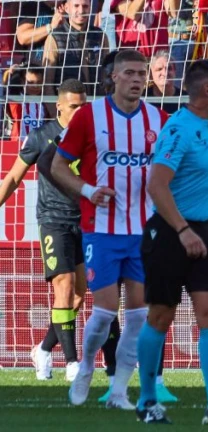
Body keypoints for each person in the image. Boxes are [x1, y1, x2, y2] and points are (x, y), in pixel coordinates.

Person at [135, 59, 208, 424]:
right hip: (171, 232)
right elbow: (157, 185)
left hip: (205, 231)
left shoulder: (207, 118)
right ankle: (147, 401)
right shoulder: (178, 130)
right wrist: (183, 231)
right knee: (161, 315)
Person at [52, 49, 167, 410]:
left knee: (138, 316)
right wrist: (88, 191)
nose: (137, 79)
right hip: (101, 229)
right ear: (114, 77)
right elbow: (57, 166)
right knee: (103, 313)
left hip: (143, 232)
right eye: (130, 73)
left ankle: (119, 391)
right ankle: (86, 365)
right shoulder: (90, 116)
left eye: (142, 73)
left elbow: (169, 169)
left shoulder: (159, 119)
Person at [0, 79, 86, 382]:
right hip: (53, 220)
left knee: (79, 296)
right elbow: (13, 178)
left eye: (83, 106)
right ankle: (72, 363)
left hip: (85, 222)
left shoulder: (92, 136)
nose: (79, 112)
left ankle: (43, 349)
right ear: (59, 106)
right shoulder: (40, 137)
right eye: (73, 106)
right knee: (64, 285)